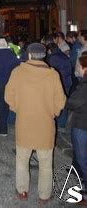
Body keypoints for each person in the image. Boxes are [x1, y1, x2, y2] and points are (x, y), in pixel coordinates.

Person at [5, 43, 66, 203]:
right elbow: (60, 101)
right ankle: (44, 196)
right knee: (46, 163)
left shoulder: (17, 72)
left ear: (29, 55)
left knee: (22, 160)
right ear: (44, 56)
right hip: (45, 126)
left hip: (24, 124)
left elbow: (8, 96)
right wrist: (52, 112)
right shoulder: (52, 75)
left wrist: (17, 108)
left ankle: (22, 191)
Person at [66, 54, 87, 206]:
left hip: (82, 126)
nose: (76, 68)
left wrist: (64, 100)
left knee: (82, 159)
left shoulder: (84, 86)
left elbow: (73, 103)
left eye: (78, 66)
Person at [0, 38, 19, 136]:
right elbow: (17, 69)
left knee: (0, 106)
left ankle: (3, 129)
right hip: (11, 84)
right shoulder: (12, 56)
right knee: (10, 104)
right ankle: (11, 121)